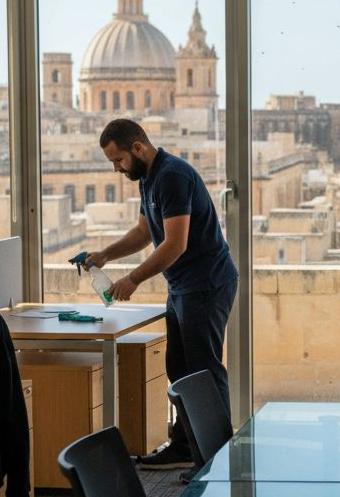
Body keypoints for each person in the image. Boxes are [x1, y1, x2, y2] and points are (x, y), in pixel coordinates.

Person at [83, 119, 238, 471]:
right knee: (180, 367)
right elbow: (143, 232)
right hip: (183, 285)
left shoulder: (172, 176)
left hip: (206, 284)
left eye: (118, 160)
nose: (116, 169)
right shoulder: (148, 178)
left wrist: (133, 279)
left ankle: (218, 459)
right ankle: (186, 445)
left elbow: (175, 243)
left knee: (205, 370)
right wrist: (106, 254)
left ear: (138, 148)